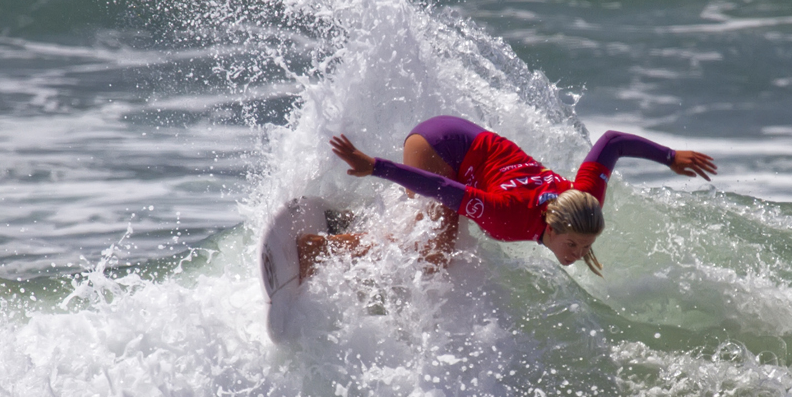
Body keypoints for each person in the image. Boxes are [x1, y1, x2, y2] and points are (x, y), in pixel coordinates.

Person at [302, 115, 715, 275]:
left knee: (427, 229)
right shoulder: (508, 215)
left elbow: (612, 142)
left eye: (584, 245)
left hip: (464, 135)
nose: (575, 253)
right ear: (551, 225)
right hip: (439, 145)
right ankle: (317, 250)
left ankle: (349, 224)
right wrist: (374, 166)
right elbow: (445, 188)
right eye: (572, 244)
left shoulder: (584, 201)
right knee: (435, 248)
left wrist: (670, 156)